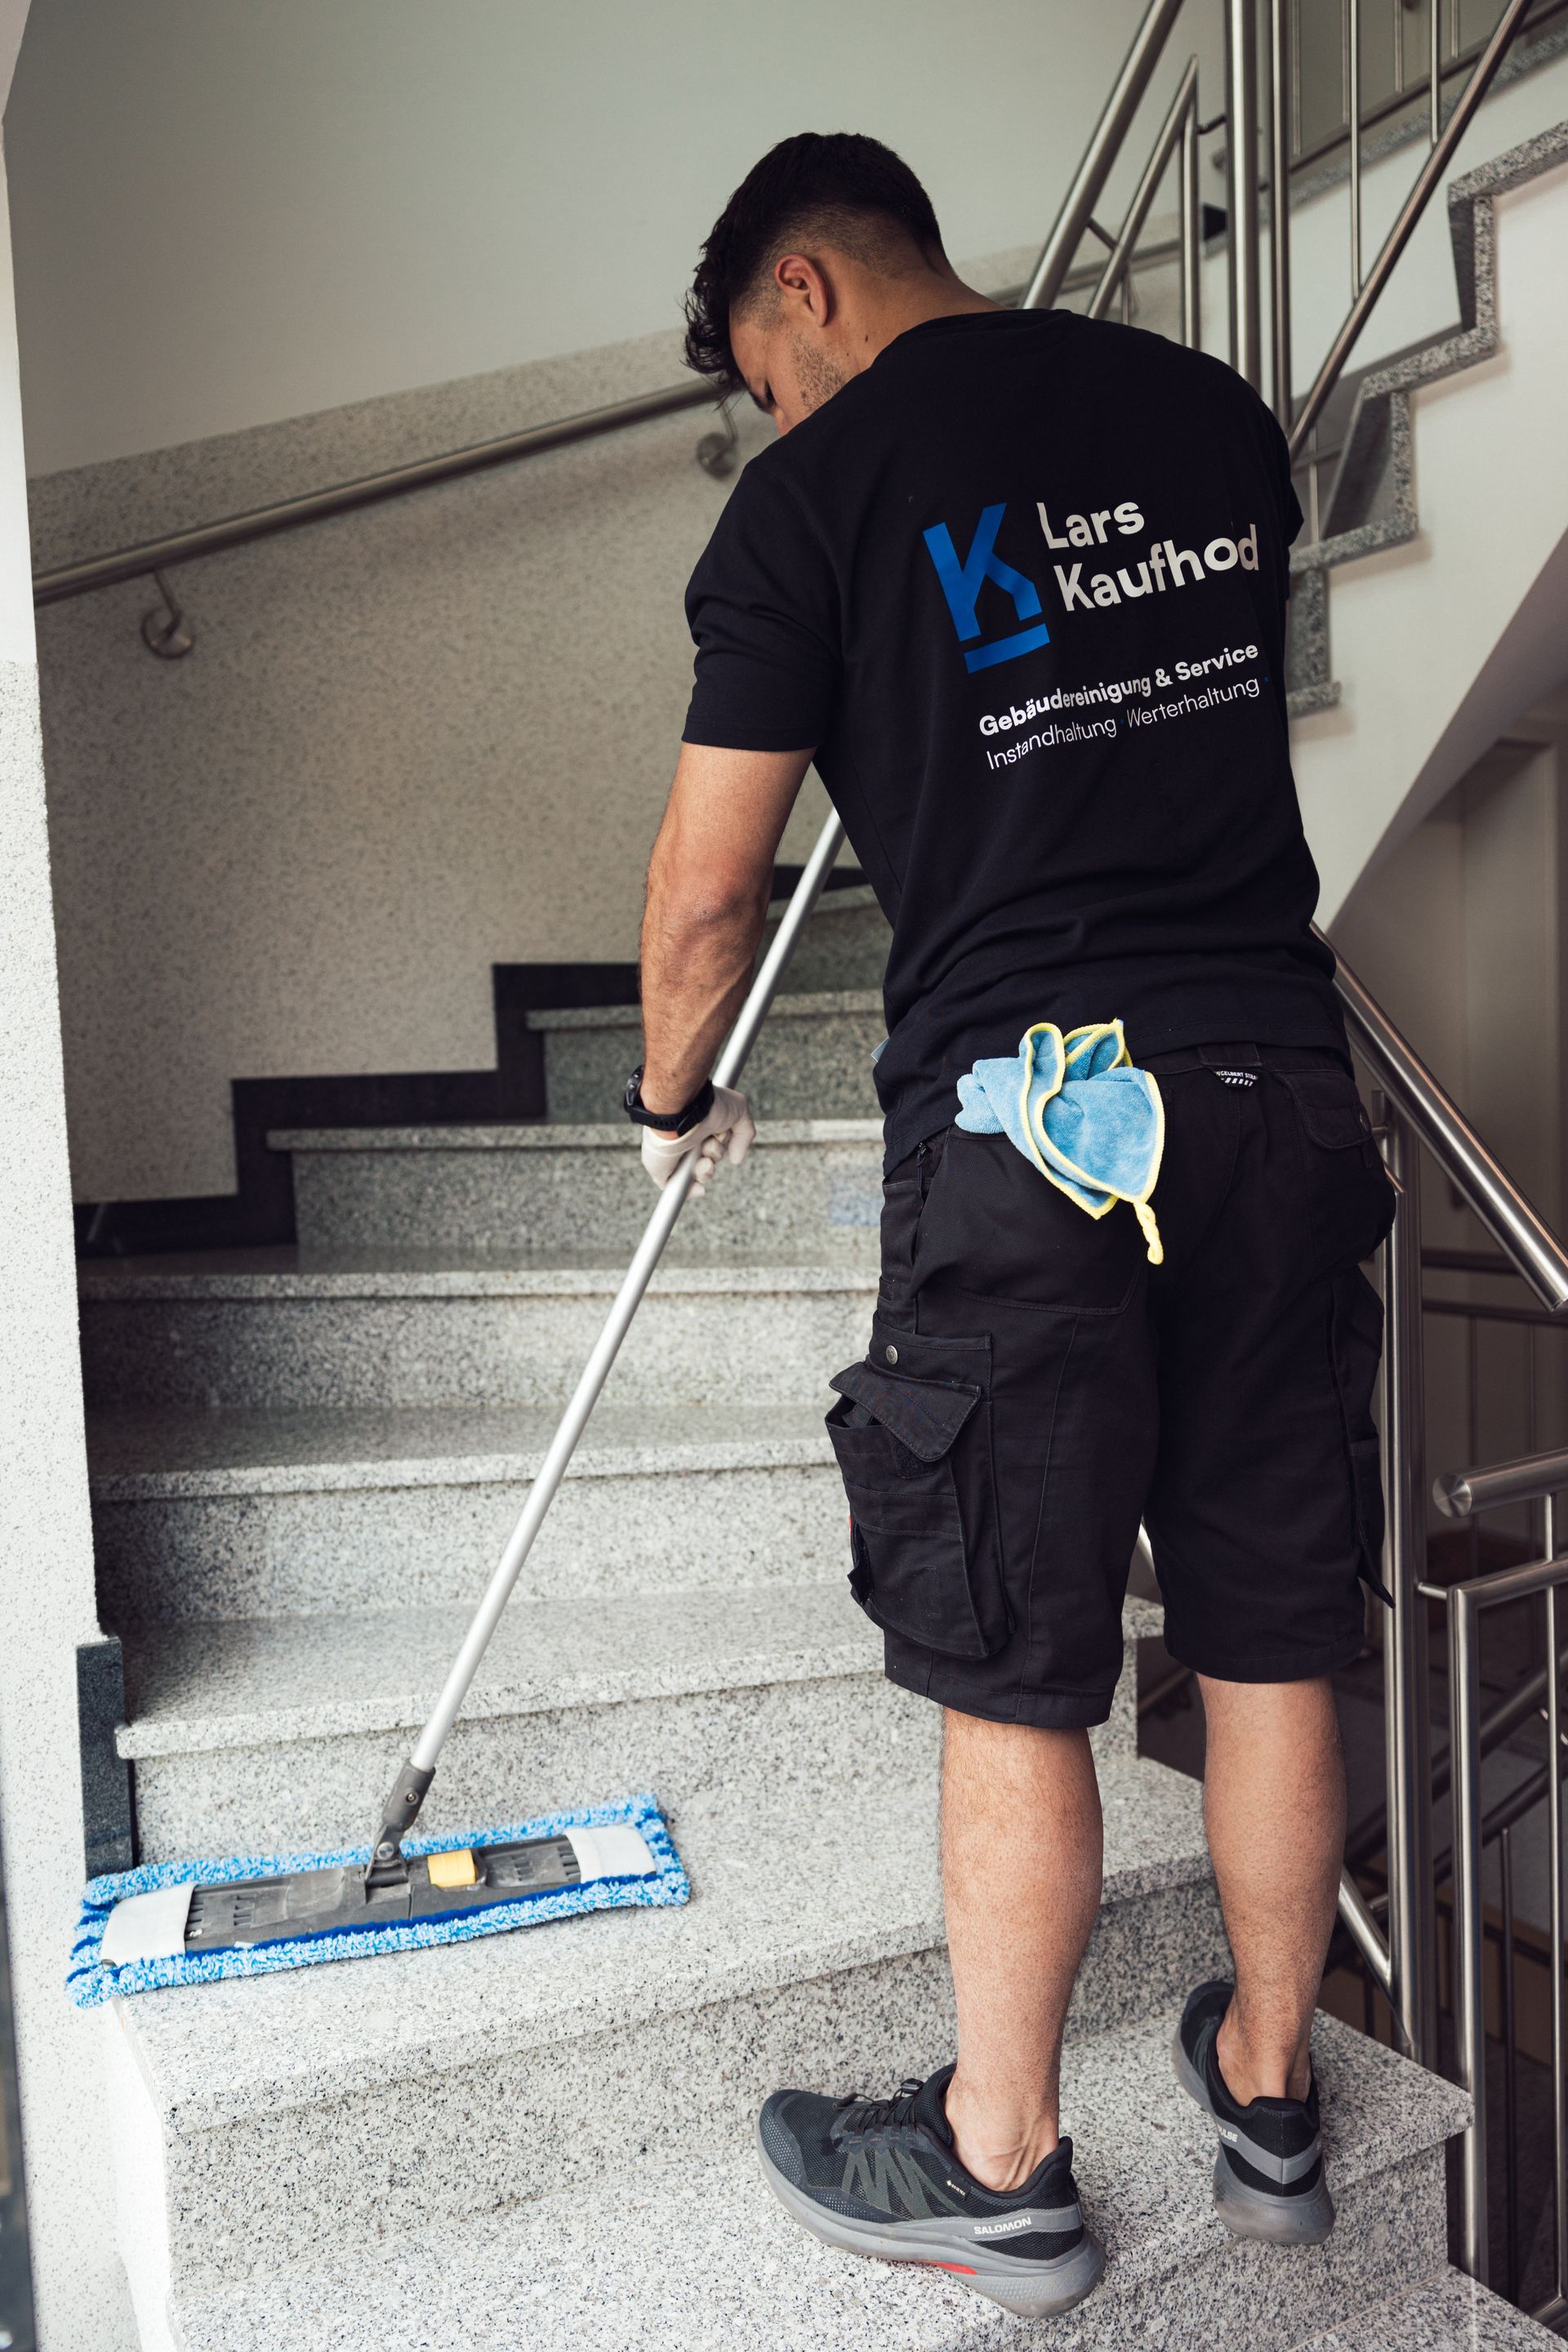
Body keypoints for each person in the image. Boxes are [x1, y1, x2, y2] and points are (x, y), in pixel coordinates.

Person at [624, 131, 1395, 2321]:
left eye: (763, 372)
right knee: (1269, 1619)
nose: (775, 418)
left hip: (1034, 1114)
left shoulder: (812, 497)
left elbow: (704, 896)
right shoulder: (1212, 425)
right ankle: (1266, 2089)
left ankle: (999, 2162)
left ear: (804, 287)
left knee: (1015, 1663)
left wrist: (671, 1101)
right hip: (1273, 1085)